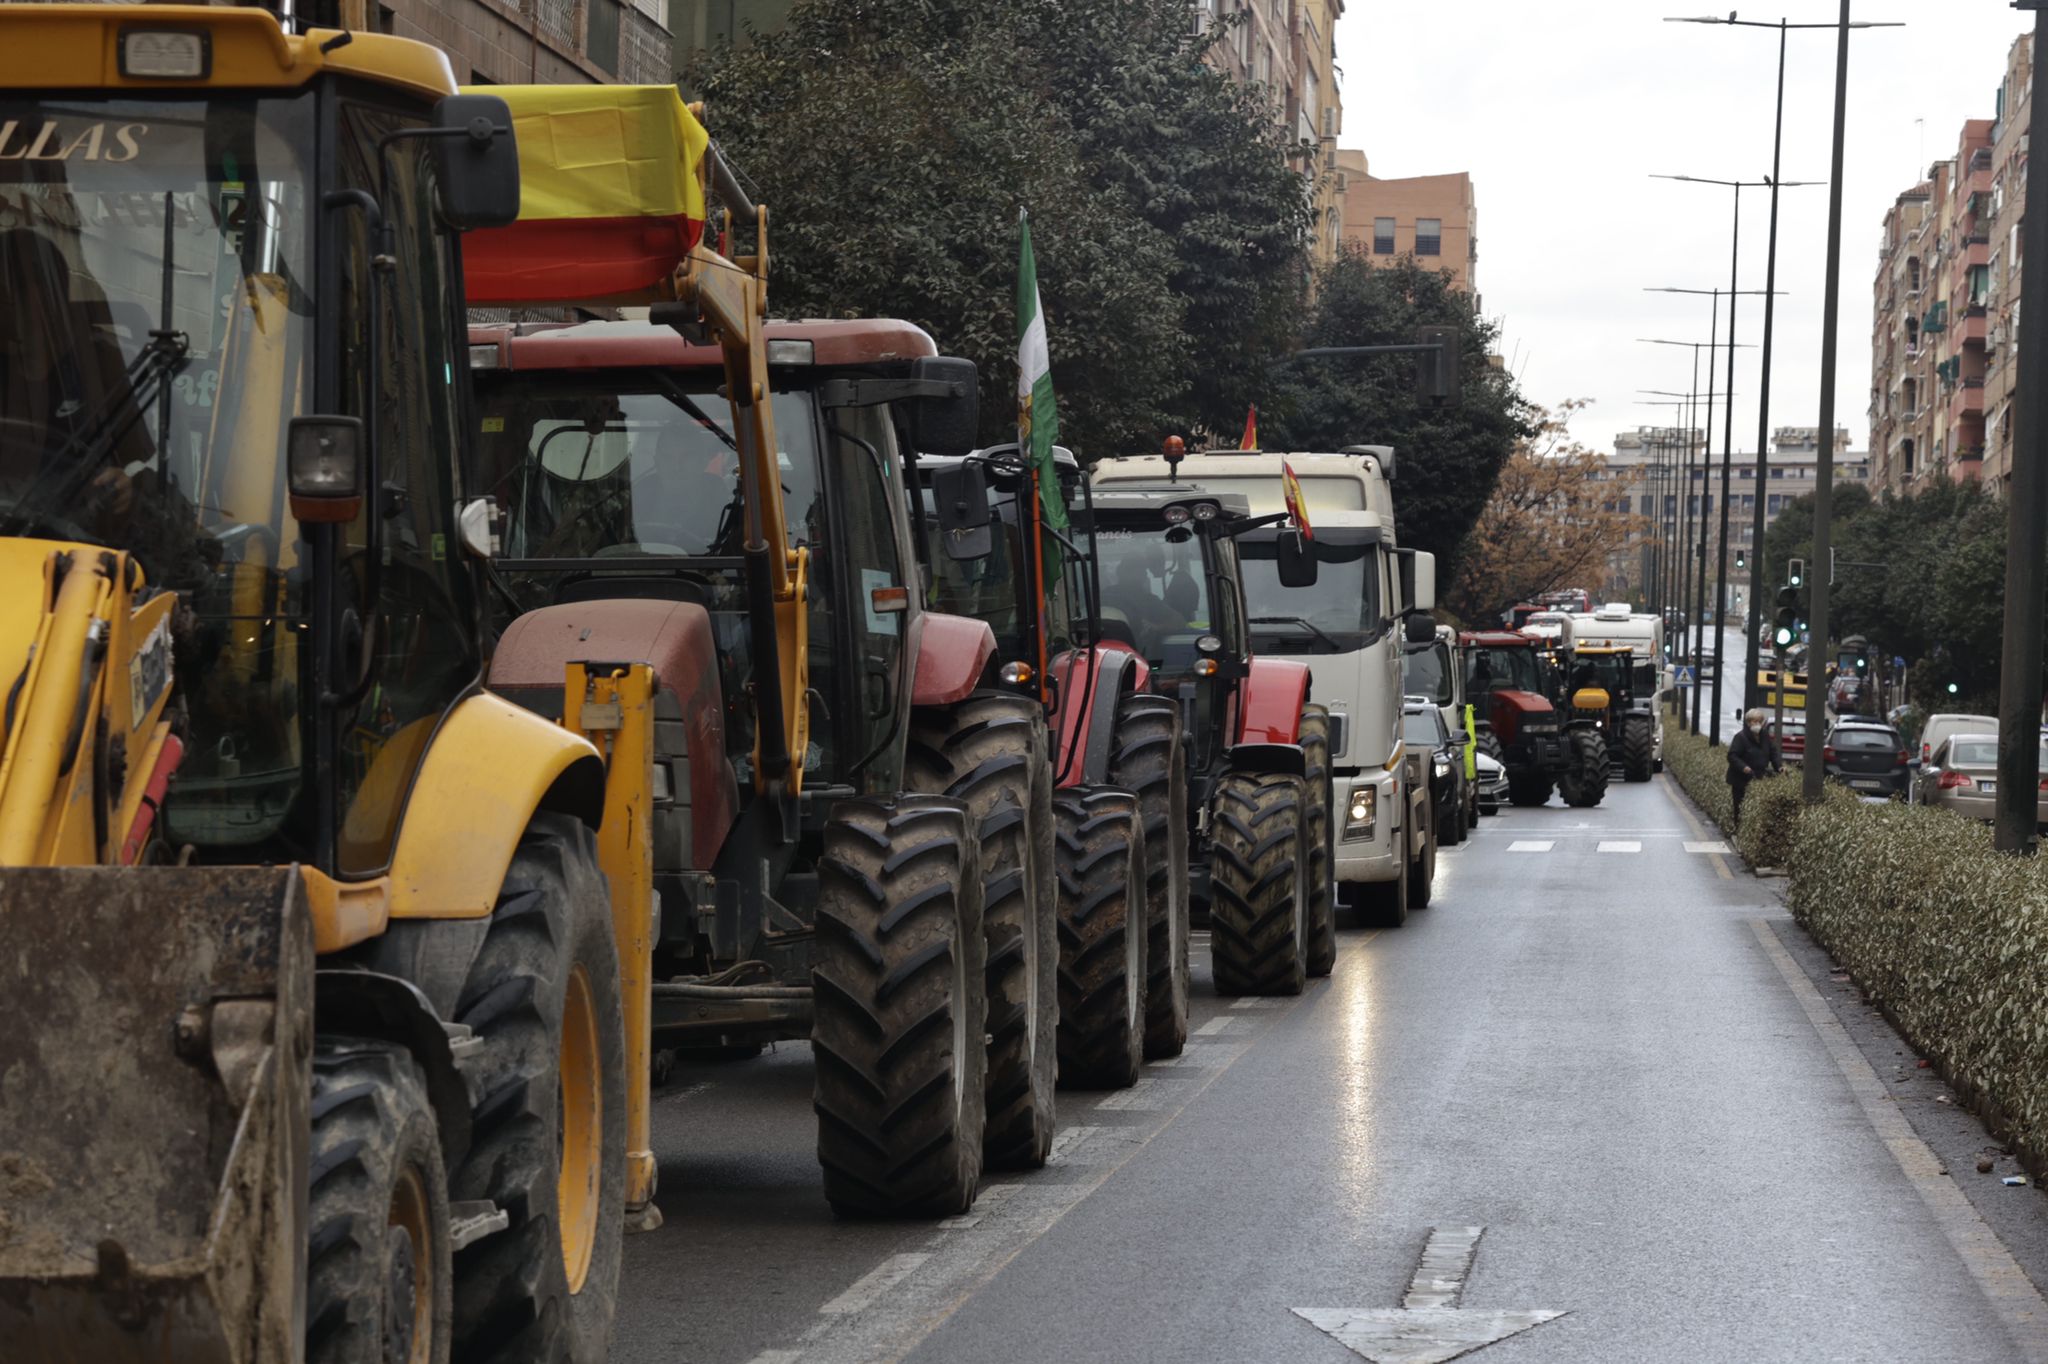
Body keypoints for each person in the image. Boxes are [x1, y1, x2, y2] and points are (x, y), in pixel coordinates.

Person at [1727, 707, 1782, 828]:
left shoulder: (1765, 736)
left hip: (1759, 777)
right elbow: (1732, 756)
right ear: (1748, 722)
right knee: (1740, 806)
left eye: (1759, 721)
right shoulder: (1741, 737)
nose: (1756, 724)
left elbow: (1773, 752)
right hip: (1741, 779)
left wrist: (1779, 767)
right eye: (1753, 721)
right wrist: (1744, 767)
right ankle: (1738, 828)